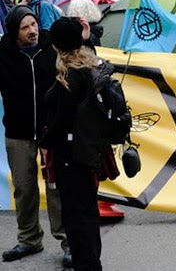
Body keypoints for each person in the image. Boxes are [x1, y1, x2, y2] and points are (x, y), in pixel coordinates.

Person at [0, 6, 69, 266]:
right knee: (24, 188)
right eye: (25, 27)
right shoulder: (3, 53)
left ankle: (68, 241)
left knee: (56, 188)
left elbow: (81, 57)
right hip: (18, 132)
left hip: (51, 131)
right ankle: (29, 239)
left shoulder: (53, 46)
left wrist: (87, 38)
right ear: (13, 32)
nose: (32, 30)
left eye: (34, 24)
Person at [41, 18, 109, 271]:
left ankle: (87, 265)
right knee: (87, 211)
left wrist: (44, 141)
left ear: (57, 46)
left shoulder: (70, 75)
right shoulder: (90, 65)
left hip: (72, 154)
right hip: (89, 150)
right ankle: (91, 262)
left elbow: (63, 119)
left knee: (76, 214)